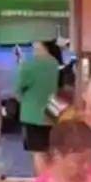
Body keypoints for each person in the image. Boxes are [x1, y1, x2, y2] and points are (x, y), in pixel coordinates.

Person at [16, 40, 60, 174]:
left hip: (32, 115)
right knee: (51, 151)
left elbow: (17, 89)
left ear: (42, 45)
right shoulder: (55, 63)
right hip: (53, 113)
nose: (33, 46)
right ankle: (54, 181)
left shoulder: (30, 65)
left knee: (38, 153)